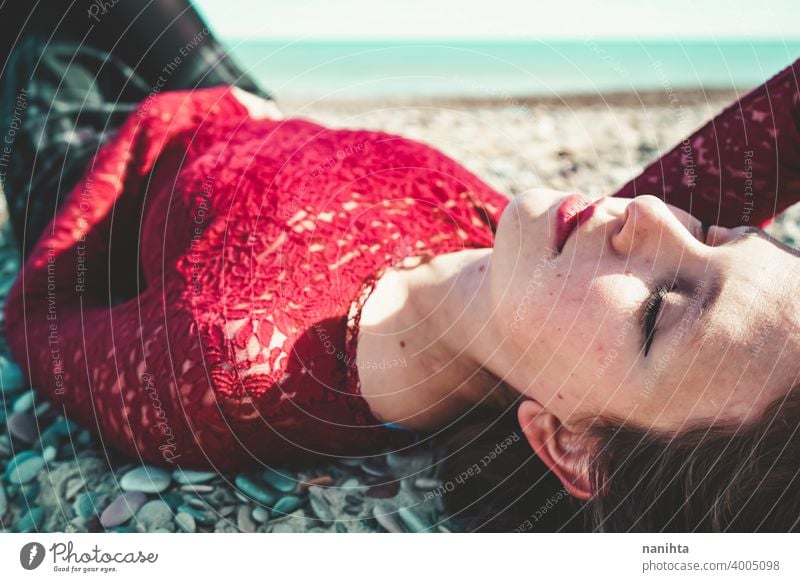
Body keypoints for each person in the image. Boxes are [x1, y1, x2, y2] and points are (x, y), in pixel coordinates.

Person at [3, 1, 800, 532]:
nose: (653, 216)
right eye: (721, 232)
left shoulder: (232, 366)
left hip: (96, 154)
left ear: (567, 443)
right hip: (247, 109)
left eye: (659, 310)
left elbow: (38, 321)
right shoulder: (554, 256)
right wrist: (254, 114)